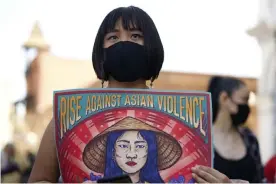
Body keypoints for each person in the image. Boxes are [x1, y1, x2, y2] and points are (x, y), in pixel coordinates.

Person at [29, 6, 233, 183]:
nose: (124, 43)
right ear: (101, 51)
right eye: (113, 37)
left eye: (136, 36)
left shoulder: (198, 120)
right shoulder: (66, 117)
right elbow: (39, 180)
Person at [207, 76, 265, 183]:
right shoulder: (203, 137)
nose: (247, 106)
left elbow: (260, 179)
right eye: (244, 99)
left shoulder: (250, 138)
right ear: (224, 98)